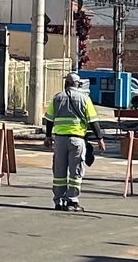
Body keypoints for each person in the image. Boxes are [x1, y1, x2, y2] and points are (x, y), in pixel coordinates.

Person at [43, 71, 106, 212]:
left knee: (59, 172)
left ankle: (58, 201)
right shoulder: (84, 99)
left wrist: (48, 137)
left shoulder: (57, 98)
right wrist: (100, 139)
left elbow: (49, 119)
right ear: (78, 85)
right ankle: (72, 201)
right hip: (77, 140)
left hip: (59, 140)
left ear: (66, 84)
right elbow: (93, 121)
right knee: (75, 172)